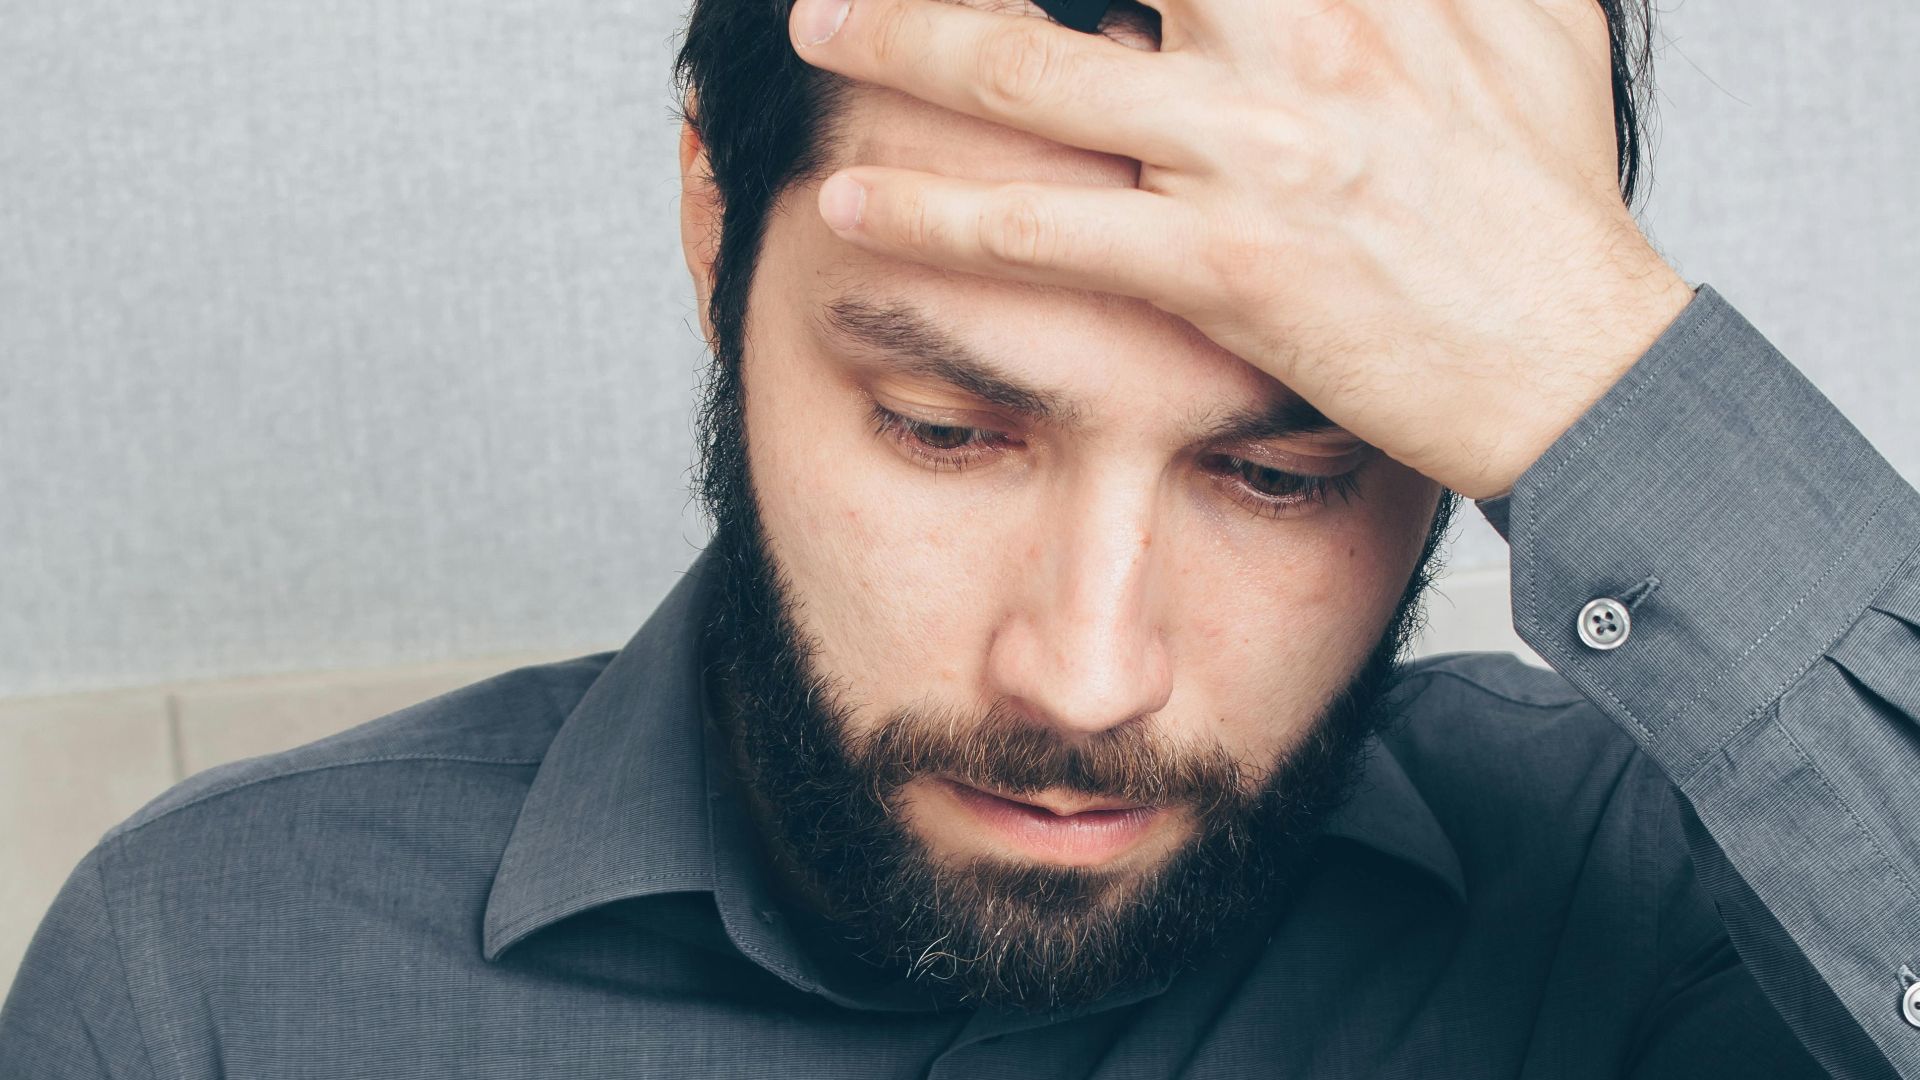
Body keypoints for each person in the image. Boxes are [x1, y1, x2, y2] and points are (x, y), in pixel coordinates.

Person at [3, 0, 1914, 1075]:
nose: (1086, 676)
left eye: (1283, 475)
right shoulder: (210, 982)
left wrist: (1612, 377)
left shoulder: (1674, 899)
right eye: (945, 429)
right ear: (711, 229)